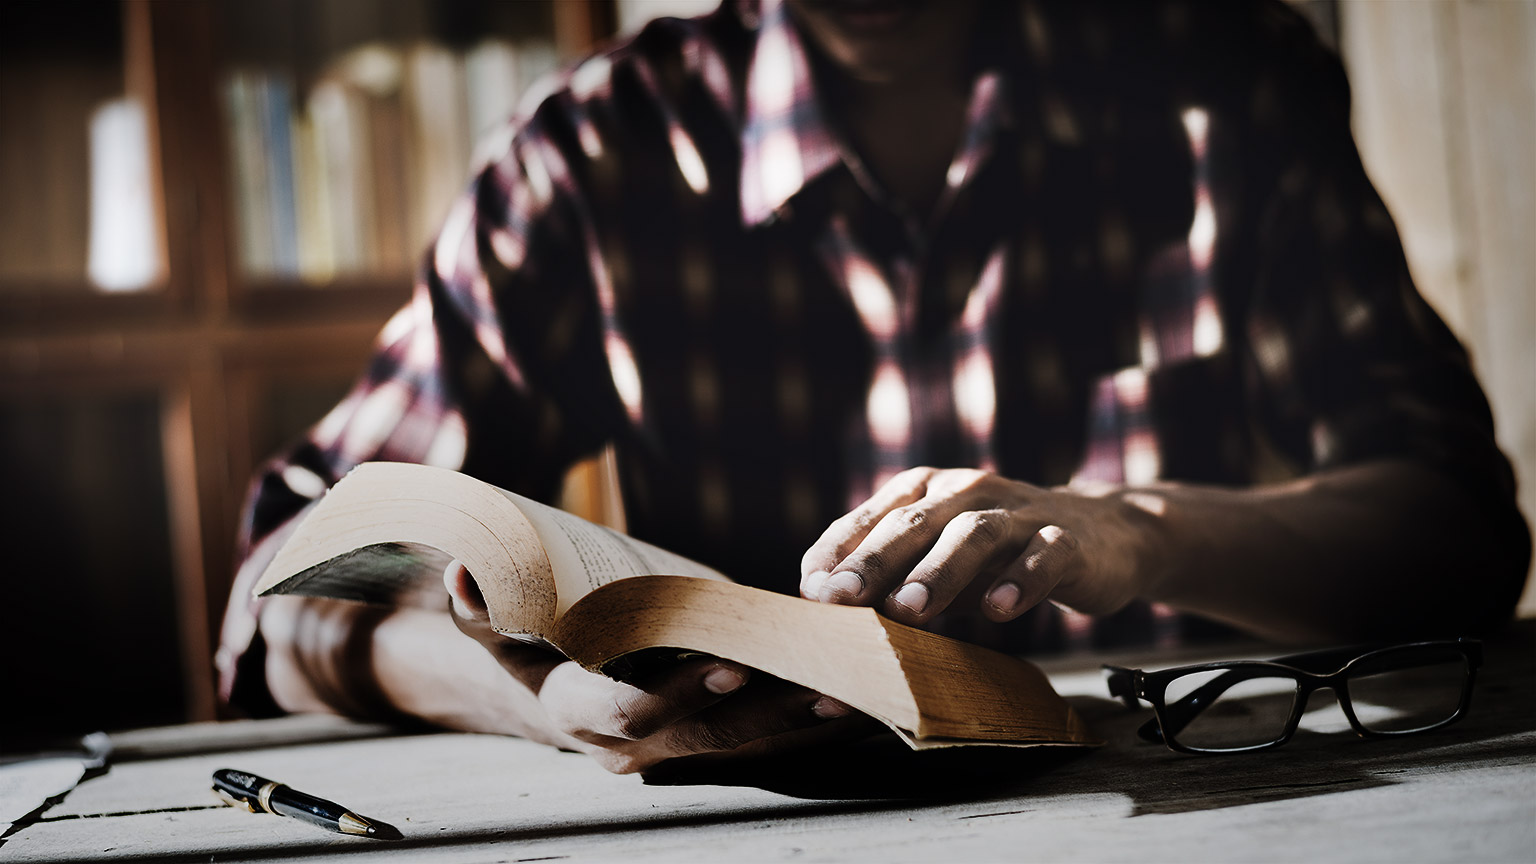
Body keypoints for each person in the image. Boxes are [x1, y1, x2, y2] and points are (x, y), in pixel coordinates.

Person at [218, 0, 1530, 775]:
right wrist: (542, 701)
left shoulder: (1220, 87)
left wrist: (1135, 531)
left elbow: (1460, 532)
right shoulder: (594, 158)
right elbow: (289, 580)